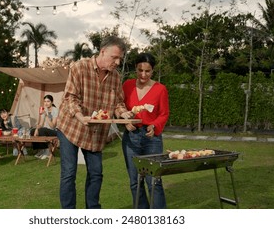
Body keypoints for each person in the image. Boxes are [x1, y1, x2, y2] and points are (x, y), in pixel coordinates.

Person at [56, 35, 131, 209]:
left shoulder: (115, 77)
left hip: (95, 132)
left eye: (120, 58)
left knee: (96, 173)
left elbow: (118, 103)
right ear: (102, 51)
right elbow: (70, 98)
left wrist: (124, 113)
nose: (118, 62)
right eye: (115, 57)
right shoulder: (79, 67)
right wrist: (80, 116)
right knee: (69, 173)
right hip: (71, 127)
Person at [122, 52, 170, 209]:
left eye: (147, 71)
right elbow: (120, 108)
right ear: (135, 69)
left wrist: (154, 125)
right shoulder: (127, 85)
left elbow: (164, 114)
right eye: (140, 70)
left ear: (153, 71)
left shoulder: (160, 89)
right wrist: (125, 122)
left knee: (153, 181)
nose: (143, 74)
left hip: (152, 140)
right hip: (131, 137)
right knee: (135, 182)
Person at [29, 94, 58, 160]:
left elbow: (53, 126)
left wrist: (46, 115)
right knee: (32, 131)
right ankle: (40, 150)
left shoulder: (55, 110)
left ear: (52, 102)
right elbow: (41, 124)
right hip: (45, 130)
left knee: (42, 130)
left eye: (48, 101)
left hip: (54, 131)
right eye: (45, 101)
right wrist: (36, 129)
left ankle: (47, 151)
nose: (46, 103)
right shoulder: (44, 110)